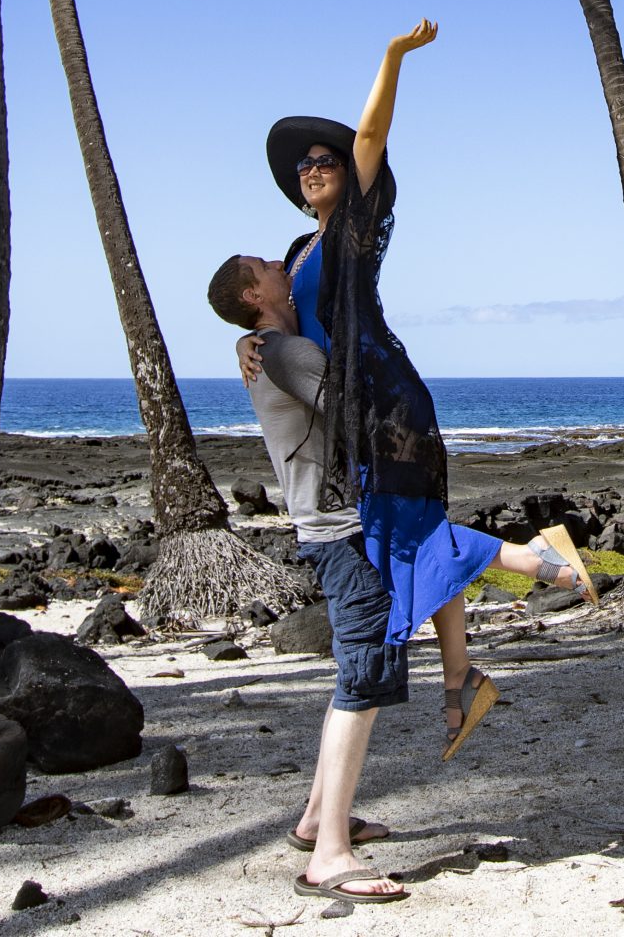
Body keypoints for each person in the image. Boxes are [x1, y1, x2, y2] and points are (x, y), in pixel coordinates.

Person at [263, 19, 598, 759]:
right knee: (412, 539)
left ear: (349, 174)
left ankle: (540, 564)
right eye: (302, 167)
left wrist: (390, 57)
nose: (312, 169)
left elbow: (372, 136)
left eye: (324, 159)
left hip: (390, 403)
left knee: (403, 534)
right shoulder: (295, 250)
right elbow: (280, 328)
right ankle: (461, 680)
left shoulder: (355, 226)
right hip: (350, 415)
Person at [204, 252, 410, 905]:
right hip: (341, 530)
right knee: (364, 673)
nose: (276, 263)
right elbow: (352, 412)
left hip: (330, 527)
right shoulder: (282, 351)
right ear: (252, 291)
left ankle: (320, 819)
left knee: (359, 668)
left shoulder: (267, 347)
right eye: (265, 265)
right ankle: (329, 858)